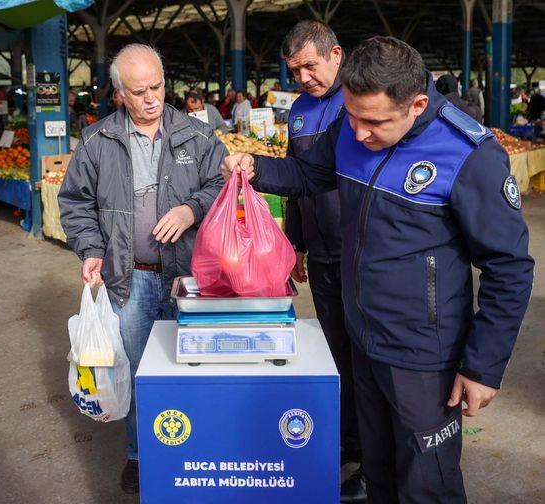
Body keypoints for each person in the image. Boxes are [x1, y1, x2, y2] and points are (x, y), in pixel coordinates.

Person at [222, 36, 534, 504]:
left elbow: (509, 266)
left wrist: (484, 366)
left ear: (418, 104)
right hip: (362, 337)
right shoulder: (350, 126)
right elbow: (309, 174)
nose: (359, 133)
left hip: (423, 355)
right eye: (352, 115)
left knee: (427, 483)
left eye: (374, 122)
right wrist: (255, 168)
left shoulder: (468, 154)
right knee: (379, 471)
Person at [58, 43, 226, 495]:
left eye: (157, 86)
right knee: (135, 369)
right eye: (139, 91)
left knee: (189, 365)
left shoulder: (198, 135)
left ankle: (191, 446)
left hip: (186, 275)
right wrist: (91, 249)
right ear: (119, 94)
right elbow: (75, 204)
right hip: (128, 277)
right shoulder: (97, 141)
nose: (152, 97)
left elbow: (222, 184)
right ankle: (139, 453)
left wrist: (192, 209)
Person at [280, 20, 366, 503]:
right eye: (296, 71)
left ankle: (374, 456)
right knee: (337, 353)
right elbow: (297, 181)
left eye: (311, 66)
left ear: (336, 52)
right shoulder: (298, 111)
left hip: (362, 250)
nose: (305, 78)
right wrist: (295, 242)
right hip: (322, 251)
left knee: (368, 357)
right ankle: (347, 439)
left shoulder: (359, 97)